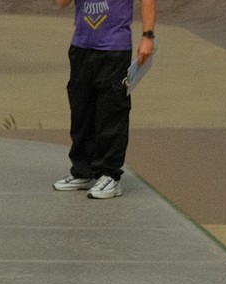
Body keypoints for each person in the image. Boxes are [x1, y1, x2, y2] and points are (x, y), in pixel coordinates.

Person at [52, 0, 153, 199]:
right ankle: (83, 172)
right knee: (81, 111)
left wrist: (147, 36)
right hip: (82, 45)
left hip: (114, 48)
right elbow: (62, 3)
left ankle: (110, 175)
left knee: (111, 110)